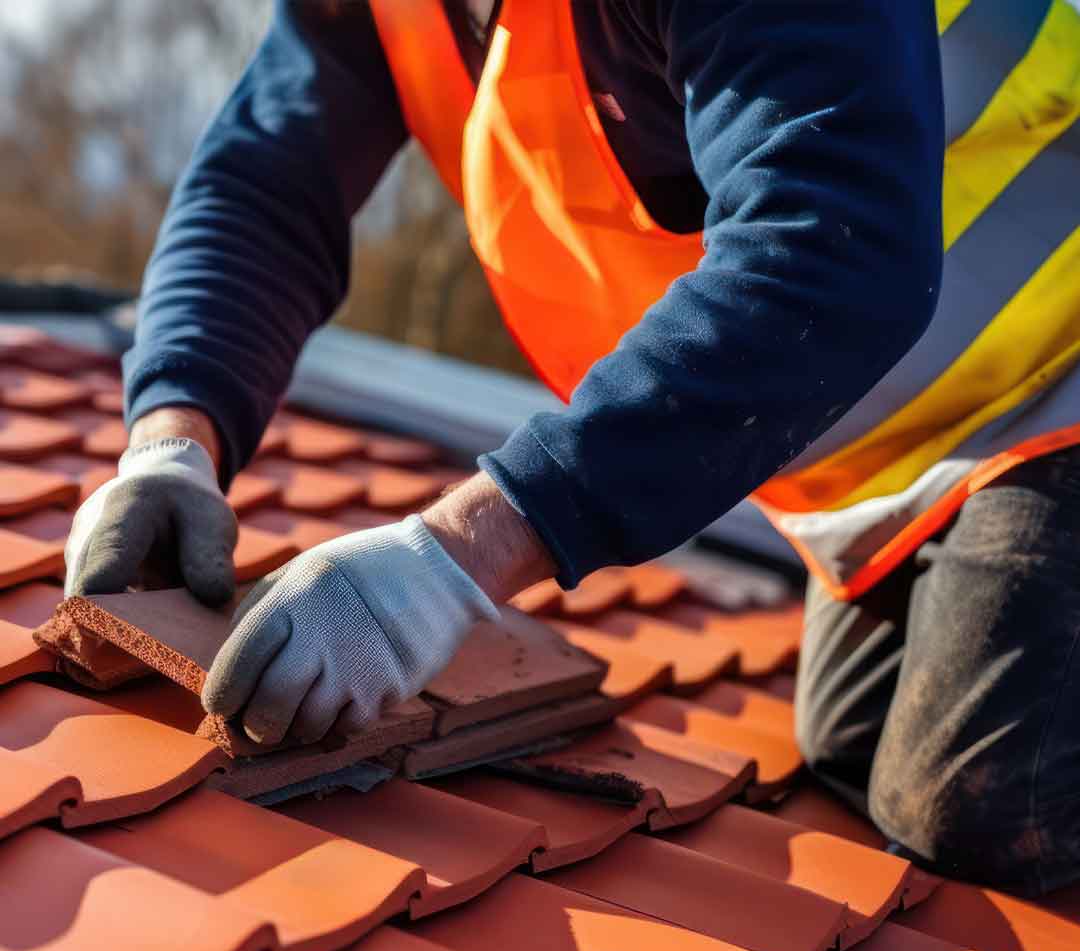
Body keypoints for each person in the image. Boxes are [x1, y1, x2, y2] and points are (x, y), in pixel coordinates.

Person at [65, 1, 1080, 894]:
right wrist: (173, 438)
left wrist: (456, 556)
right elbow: (267, 184)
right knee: (862, 761)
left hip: (1062, 382)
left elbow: (835, 247)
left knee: (984, 808)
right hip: (921, 460)